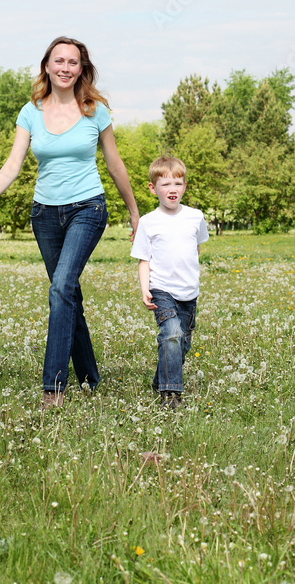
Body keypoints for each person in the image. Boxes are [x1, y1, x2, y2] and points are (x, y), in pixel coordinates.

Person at [0, 36, 140, 406]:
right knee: (67, 293)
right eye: (59, 61)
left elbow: (114, 164)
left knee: (61, 286)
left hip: (88, 208)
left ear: (81, 69)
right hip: (45, 214)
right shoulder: (30, 111)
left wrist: (134, 211)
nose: (65, 68)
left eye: (73, 62)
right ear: (47, 66)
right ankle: (89, 377)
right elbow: (14, 162)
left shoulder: (94, 110)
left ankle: (53, 386)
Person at [130, 156, 208, 409]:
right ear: (153, 188)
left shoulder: (196, 217)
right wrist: (145, 288)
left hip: (189, 292)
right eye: (165, 184)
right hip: (161, 289)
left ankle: (159, 379)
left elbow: (195, 248)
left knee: (181, 343)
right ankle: (171, 395)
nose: (172, 189)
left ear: (184, 186)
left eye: (177, 183)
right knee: (171, 334)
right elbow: (144, 260)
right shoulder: (148, 222)